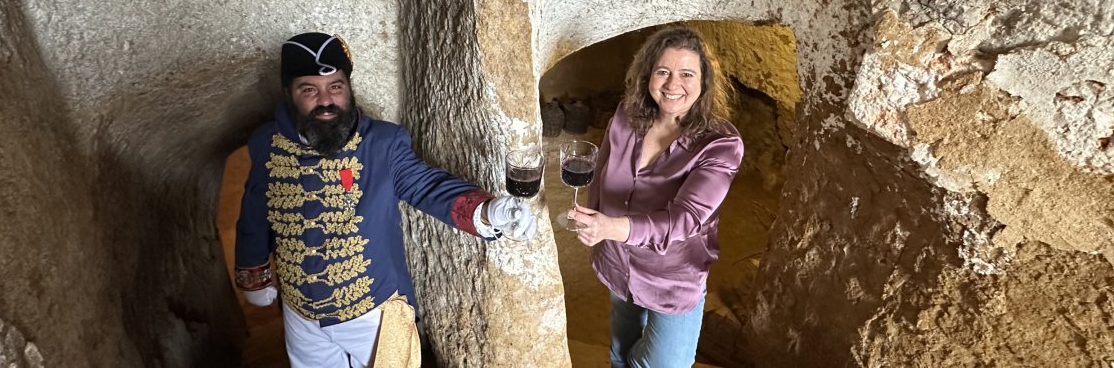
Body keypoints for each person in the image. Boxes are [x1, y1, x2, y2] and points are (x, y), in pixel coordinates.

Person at [234, 31, 536, 368]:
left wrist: (489, 210)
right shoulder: (266, 143)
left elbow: (426, 186)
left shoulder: (383, 143)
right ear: (289, 94)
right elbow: (255, 213)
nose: (326, 100)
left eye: (336, 86)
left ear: (349, 88)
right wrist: (253, 271)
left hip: (372, 311)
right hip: (300, 314)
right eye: (310, 90)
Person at [569, 26, 742, 368]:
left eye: (686, 74)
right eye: (663, 71)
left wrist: (612, 228)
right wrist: (593, 221)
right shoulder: (626, 116)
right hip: (617, 262)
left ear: (704, 82)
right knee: (620, 353)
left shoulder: (720, 144)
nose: (672, 84)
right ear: (648, 75)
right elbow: (602, 174)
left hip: (672, 277)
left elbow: (686, 219)